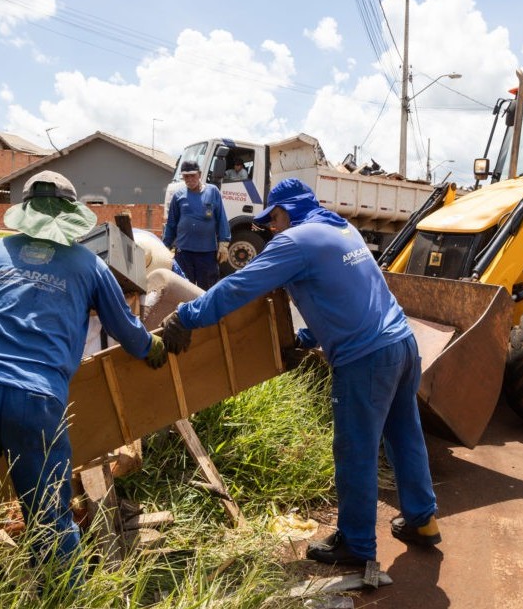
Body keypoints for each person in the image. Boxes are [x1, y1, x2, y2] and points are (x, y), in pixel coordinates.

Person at [159, 178, 440, 566]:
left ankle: (357, 545)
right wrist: (307, 336)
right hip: (402, 345)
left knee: (355, 450)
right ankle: (423, 520)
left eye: (272, 218)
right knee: (404, 433)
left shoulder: (293, 242)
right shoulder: (341, 227)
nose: (271, 227)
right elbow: (347, 293)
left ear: (287, 211)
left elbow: (240, 287)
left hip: (366, 359)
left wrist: (187, 316)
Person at [0, 171, 167, 583]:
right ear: (71, 216)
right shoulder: (89, 265)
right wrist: (153, 348)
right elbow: (127, 330)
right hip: (36, 401)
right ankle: (63, 593)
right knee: (48, 515)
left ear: (26, 213)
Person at [162, 160, 231, 289]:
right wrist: (164, 247)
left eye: (192, 175)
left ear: (199, 174)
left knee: (207, 290)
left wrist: (224, 243)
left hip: (207, 253)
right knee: (184, 289)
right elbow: (171, 224)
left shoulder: (213, 192)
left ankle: (207, 310)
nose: (189, 179)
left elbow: (221, 217)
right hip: (184, 253)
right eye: (186, 176)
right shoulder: (178, 196)